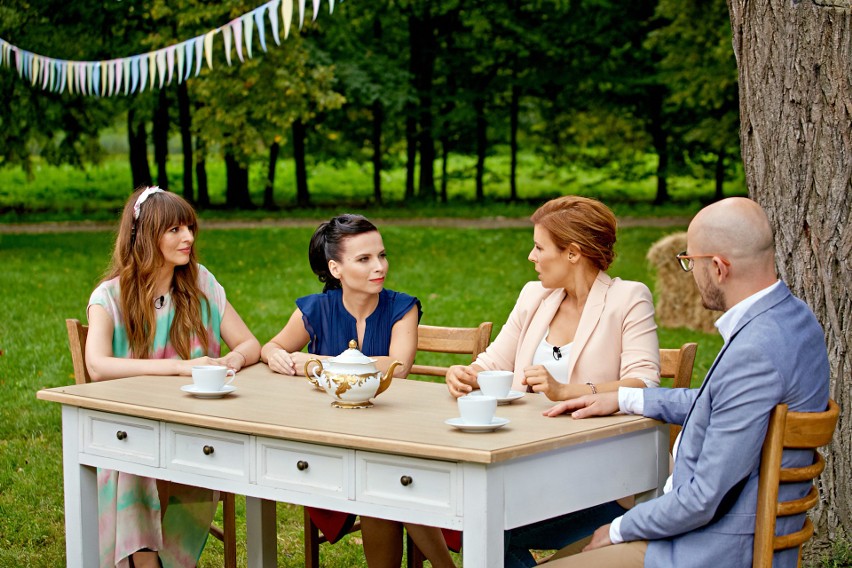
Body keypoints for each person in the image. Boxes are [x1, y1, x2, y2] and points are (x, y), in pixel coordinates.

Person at [543, 197, 830, 568]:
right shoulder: (795, 320)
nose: (689, 273)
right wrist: (628, 399)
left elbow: (702, 499)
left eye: (689, 262)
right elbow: (724, 402)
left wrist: (618, 528)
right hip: (718, 533)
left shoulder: (755, 351)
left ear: (718, 268)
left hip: (707, 549)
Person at [444, 195, 661, 567]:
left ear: (573, 253)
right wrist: (466, 374)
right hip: (526, 468)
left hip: (600, 483)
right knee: (476, 521)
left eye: (539, 247)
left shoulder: (628, 298)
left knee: (486, 525)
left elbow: (644, 383)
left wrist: (567, 392)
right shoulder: (535, 295)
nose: (531, 256)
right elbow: (494, 361)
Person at [261, 214, 455, 568]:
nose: (379, 266)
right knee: (382, 482)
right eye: (364, 259)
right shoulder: (317, 308)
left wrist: (316, 361)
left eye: (381, 255)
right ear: (335, 268)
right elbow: (272, 347)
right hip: (328, 445)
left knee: (382, 481)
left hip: (395, 436)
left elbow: (398, 366)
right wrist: (275, 354)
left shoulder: (402, 307)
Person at [85, 186, 261, 568]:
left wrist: (231, 359)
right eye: (175, 230)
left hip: (190, 425)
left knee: (203, 459)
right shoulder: (109, 297)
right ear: (146, 235)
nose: (189, 238)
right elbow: (97, 365)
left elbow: (249, 343)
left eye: (190, 228)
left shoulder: (201, 285)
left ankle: (166, 560)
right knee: (136, 464)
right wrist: (180, 367)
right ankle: (144, 562)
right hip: (127, 428)